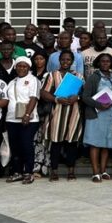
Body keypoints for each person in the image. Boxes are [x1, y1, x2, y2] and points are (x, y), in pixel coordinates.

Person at [81, 53, 112, 183]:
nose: (105, 63)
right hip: (96, 114)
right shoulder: (93, 77)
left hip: (111, 114)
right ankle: (95, 172)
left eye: (108, 61)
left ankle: (103, 170)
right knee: (95, 143)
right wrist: (99, 104)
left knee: (106, 143)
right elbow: (85, 97)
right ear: (98, 63)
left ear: (111, 64)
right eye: (103, 61)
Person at [41, 50, 84, 181]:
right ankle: (54, 171)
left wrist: (78, 97)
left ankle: (71, 171)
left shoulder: (79, 76)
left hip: (73, 113)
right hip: (57, 113)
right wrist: (56, 99)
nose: (65, 62)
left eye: (68, 60)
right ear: (59, 60)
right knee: (56, 143)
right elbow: (43, 93)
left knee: (72, 143)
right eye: (63, 60)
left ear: (72, 62)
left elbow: (84, 93)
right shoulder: (52, 75)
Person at [5, 57, 41, 184]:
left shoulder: (33, 80)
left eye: (24, 66)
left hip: (29, 119)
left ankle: (29, 172)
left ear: (29, 67)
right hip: (11, 119)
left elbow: (34, 98)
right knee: (15, 147)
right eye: (19, 66)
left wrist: (27, 114)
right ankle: (17, 172)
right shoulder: (12, 82)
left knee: (26, 145)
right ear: (15, 67)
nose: (21, 68)